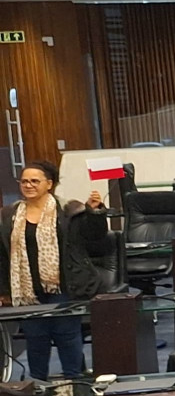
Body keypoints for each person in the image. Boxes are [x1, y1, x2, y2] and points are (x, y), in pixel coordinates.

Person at [0, 162, 109, 379]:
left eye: (34, 181)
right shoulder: (9, 215)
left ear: (49, 184)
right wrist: (4, 291)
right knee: (36, 338)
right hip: (26, 288)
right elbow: (3, 255)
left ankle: (74, 382)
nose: (28, 185)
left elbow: (95, 238)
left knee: (66, 335)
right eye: (24, 181)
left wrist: (95, 213)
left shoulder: (70, 210)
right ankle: (37, 386)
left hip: (65, 284)